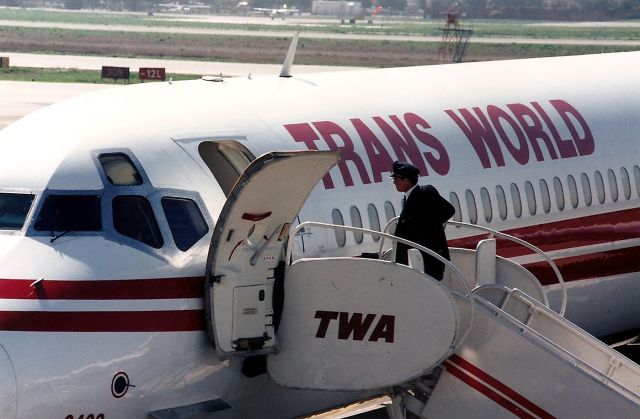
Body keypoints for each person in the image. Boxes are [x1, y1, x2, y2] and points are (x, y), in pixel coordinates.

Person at [390, 161, 455, 280]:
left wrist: (431, 230)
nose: (394, 182)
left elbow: (449, 210)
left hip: (427, 262)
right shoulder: (411, 196)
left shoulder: (425, 193)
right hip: (418, 262)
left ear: (406, 180)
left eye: (396, 179)